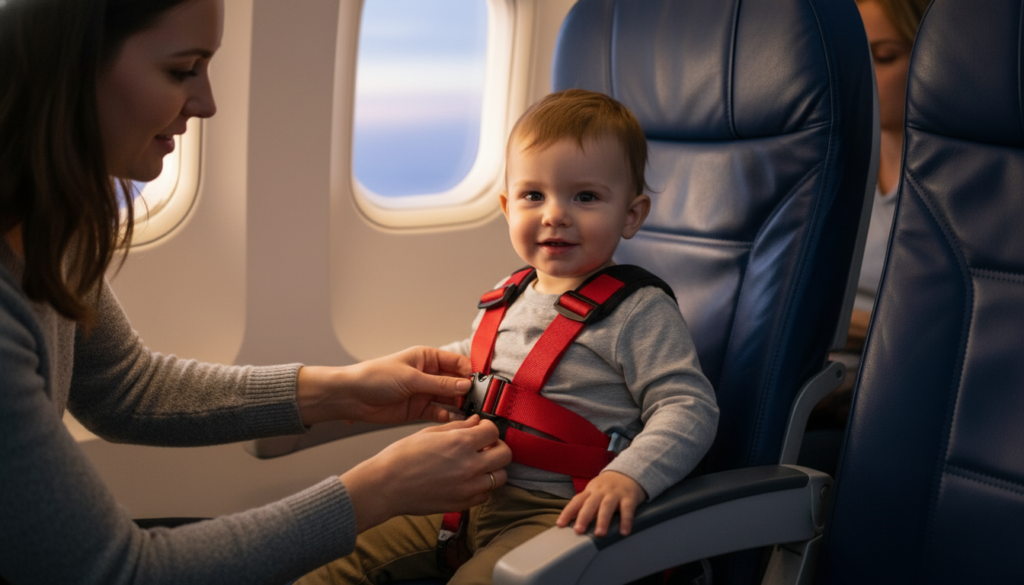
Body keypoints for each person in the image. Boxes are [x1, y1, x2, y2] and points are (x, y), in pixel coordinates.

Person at [0, 0, 511, 583]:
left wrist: (344, 391)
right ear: (69, 65)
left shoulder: (49, 225)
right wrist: (382, 488)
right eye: (181, 70)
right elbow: (119, 572)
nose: (208, 103)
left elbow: (124, 390)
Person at [297, 89, 720, 585]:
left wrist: (629, 476)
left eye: (585, 197)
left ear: (631, 215)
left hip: (558, 510)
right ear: (505, 206)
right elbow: (481, 364)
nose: (554, 214)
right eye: (533, 196)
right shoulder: (507, 292)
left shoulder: (638, 311)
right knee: (328, 555)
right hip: (466, 488)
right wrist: (417, 375)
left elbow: (689, 407)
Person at [807, 0, 931, 435]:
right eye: (855, 58)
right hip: (817, 358)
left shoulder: (961, 182)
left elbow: (930, 323)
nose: (863, 75)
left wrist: (830, 324)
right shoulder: (831, 164)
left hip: (895, 377)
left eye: (884, 58)